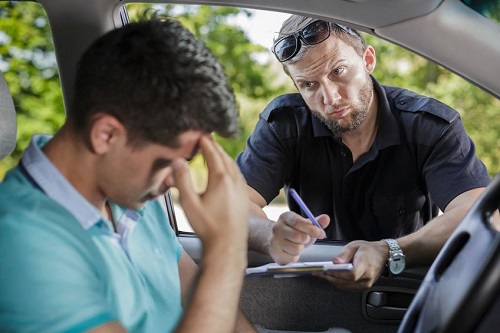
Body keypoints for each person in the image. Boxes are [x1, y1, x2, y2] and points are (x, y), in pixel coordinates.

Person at [0, 19, 256, 332]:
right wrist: (225, 251)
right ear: (106, 135)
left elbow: (198, 296)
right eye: (167, 162)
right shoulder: (21, 241)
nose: (174, 181)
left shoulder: (135, 195)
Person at [237, 15, 491, 290]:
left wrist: (390, 250)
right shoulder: (283, 125)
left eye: (338, 72)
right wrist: (269, 234)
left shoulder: (428, 126)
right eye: (309, 85)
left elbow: (480, 212)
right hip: (311, 290)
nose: (330, 98)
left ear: (368, 60)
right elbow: (232, 205)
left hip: (401, 288)